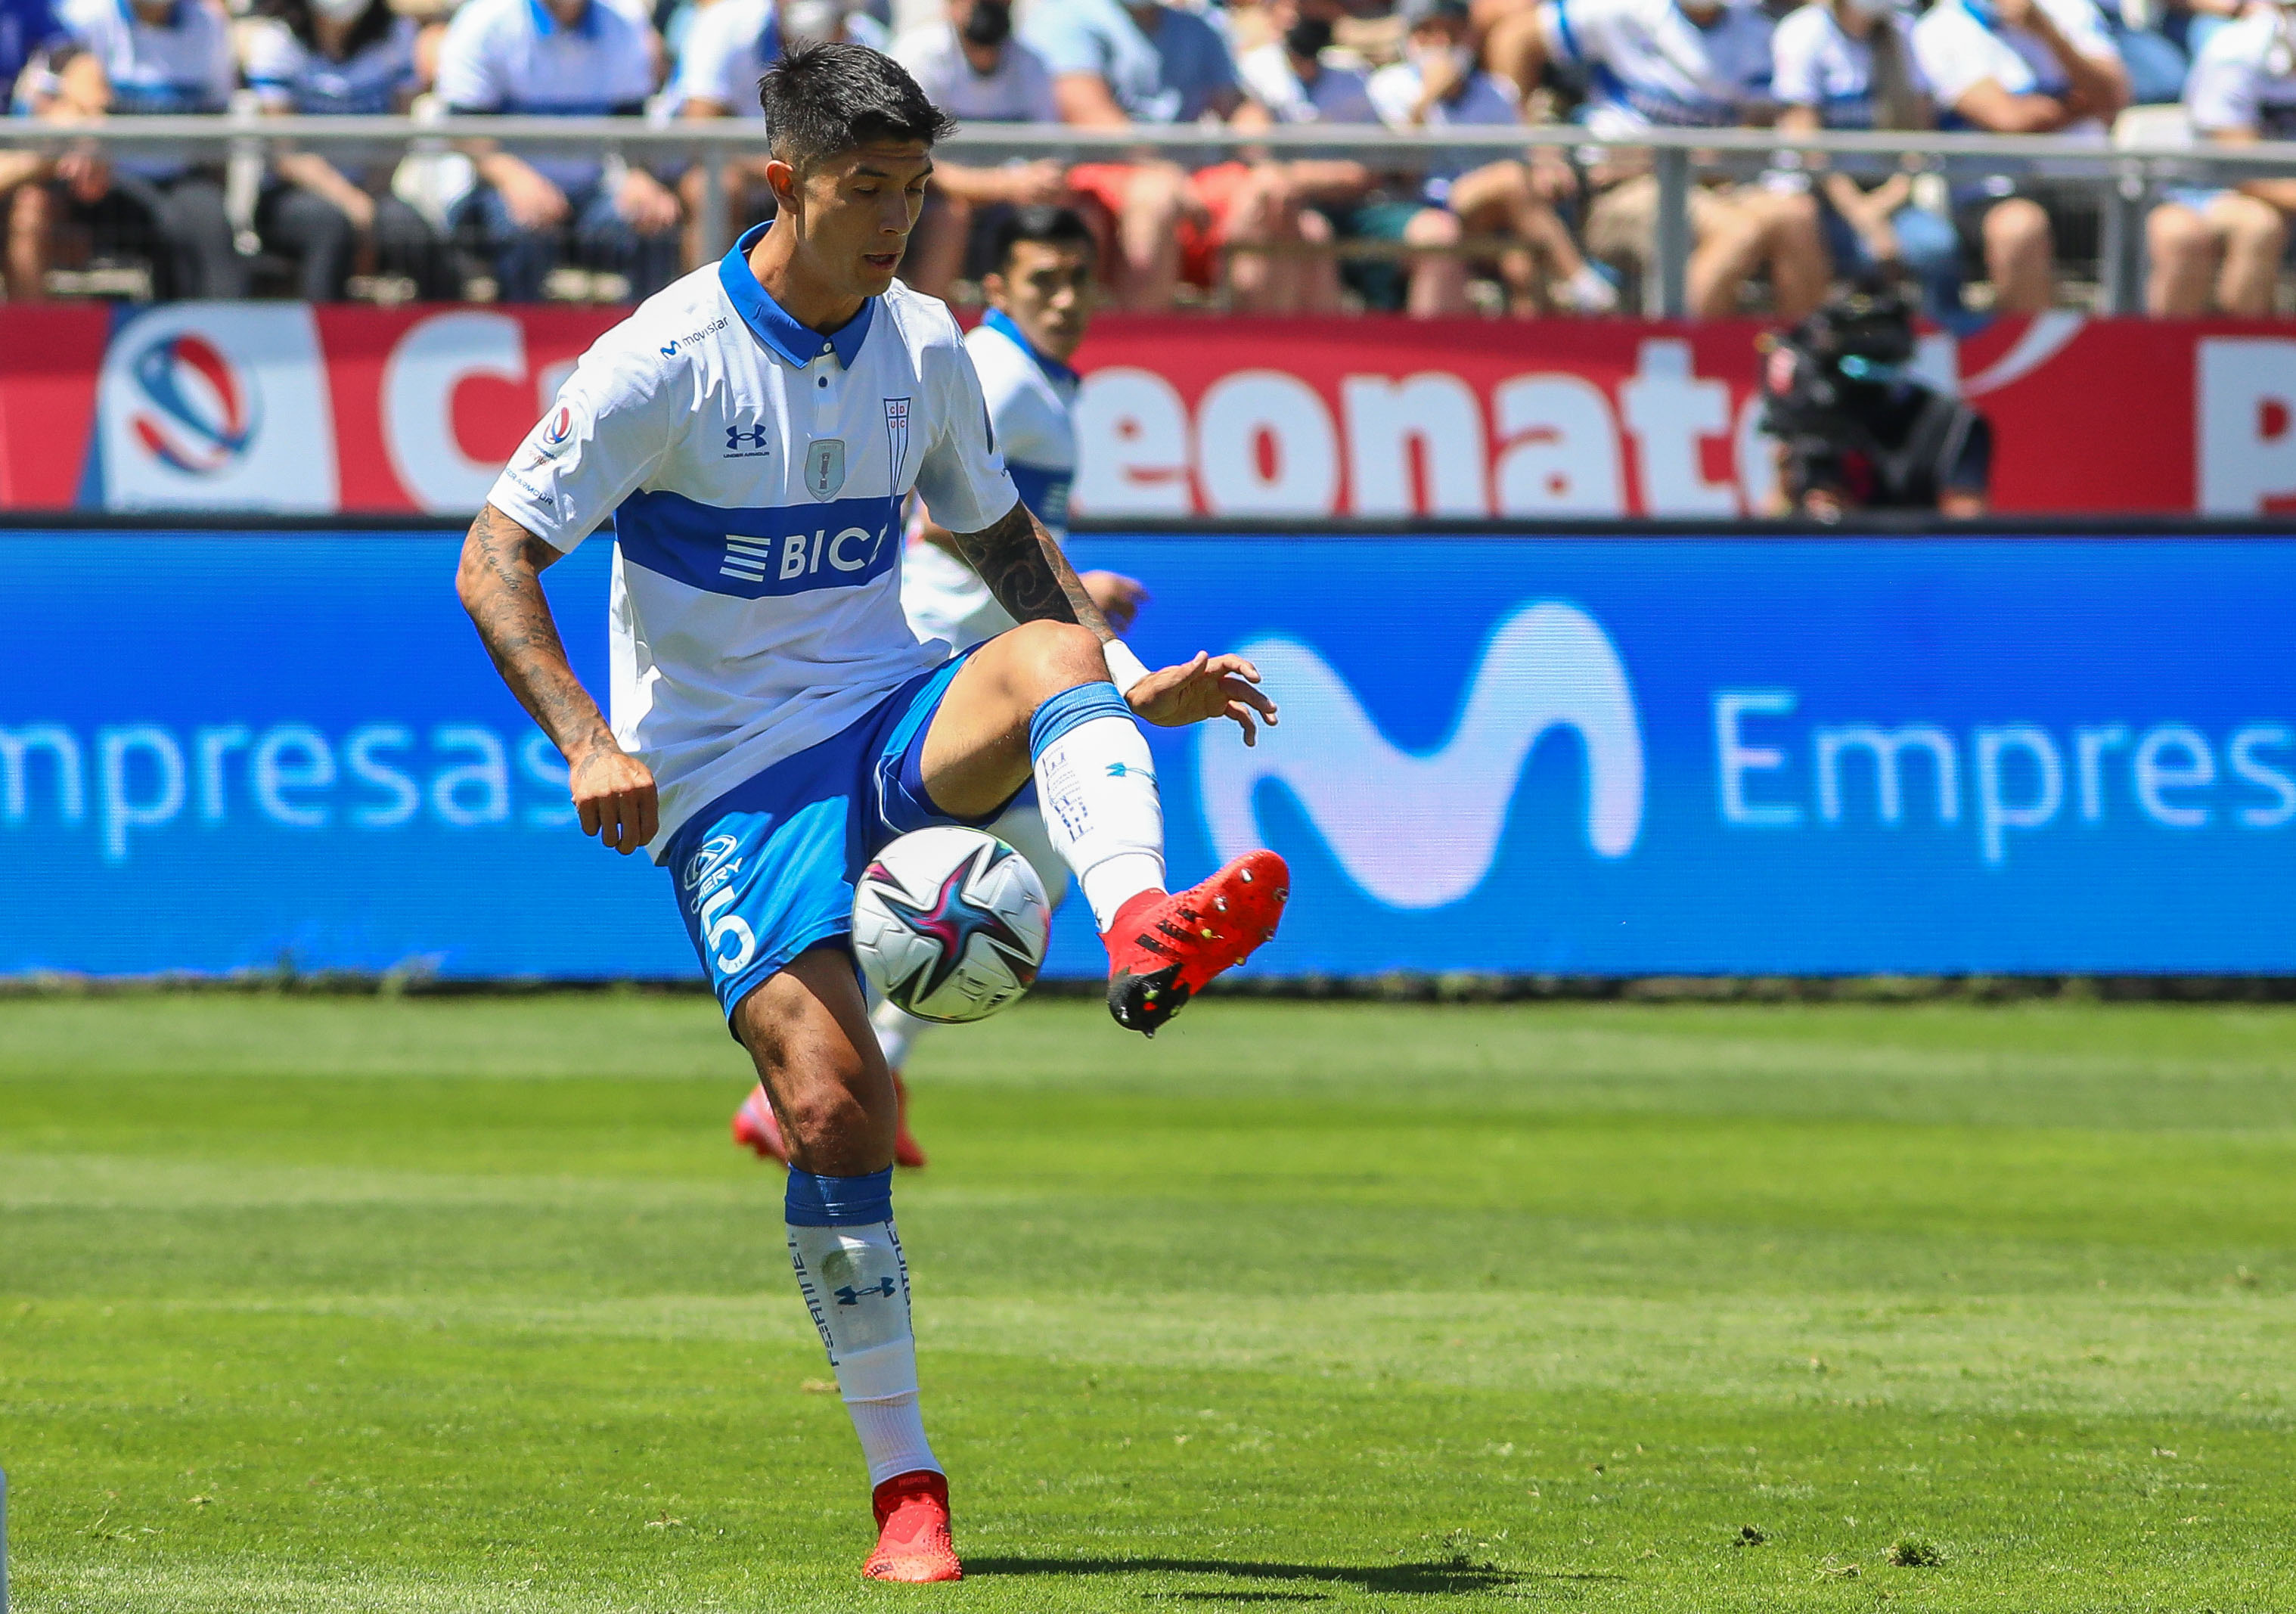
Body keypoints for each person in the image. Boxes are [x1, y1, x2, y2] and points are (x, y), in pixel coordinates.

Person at [455, 44, 1287, 1584]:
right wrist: (585, 739)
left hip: (885, 714)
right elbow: (493, 557)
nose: (898, 220)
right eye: (867, 190)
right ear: (785, 183)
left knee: (1045, 653)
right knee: (838, 1107)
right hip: (722, 779)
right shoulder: (667, 357)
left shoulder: (923, 341)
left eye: (916, 189)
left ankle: (1143, 922)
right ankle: (908, 1484)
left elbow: (1003, 542)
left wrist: (1132, 681)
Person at [732, 203, 1150, 1170]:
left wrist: (1076, 585)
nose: (1063, 299)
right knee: (1024, 857)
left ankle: (847, 1068)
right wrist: (1077, 600)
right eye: (1041, 280)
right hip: (940, 650)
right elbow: (952, 521)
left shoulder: (1038, 382)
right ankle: (833, 1068)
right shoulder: (1000, 370)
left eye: (1077, 280)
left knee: (1009, 858)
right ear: (997, 289)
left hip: (963, 644)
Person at [1494, 0, 1831, 320]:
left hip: (1713, 181)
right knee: (1735, 232)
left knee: (1796, 216)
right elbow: (1513, 40)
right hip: (1623, 191)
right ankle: (1671, 364)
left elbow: (1761, 129)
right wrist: (1537, 147)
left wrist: (1667, 158)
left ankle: (1800, 365)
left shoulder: (1757, 32)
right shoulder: (1624, 10)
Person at [1023, 0, 1317, 312]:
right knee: (1157, 198)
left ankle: (1254, 349)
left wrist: (1266, 164)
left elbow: (1237, 107)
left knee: (1272, 196)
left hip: (1187, 178)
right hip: (1102, 175)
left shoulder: (1198, 27)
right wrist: (1163, 172)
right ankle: (1139, 351)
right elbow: (1090, 116)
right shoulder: (1064, 16)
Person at [1367, 0, 1617, 315]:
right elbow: (1402, 172)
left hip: (1488, 213)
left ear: (1468, 36)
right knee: (1509, 179)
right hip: (1421, 208)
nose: (1441, 44)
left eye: (1451, 32)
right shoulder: (1389, 86)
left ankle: (1530, 357)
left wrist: (1546, 170)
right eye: (1429, 32)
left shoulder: (1496, 91)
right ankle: (1582, 284)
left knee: (1521, 265)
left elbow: (1521, 164)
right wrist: (1426, 100)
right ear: (1411, 37)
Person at [436, 0, 681, 302]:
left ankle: (642, 342)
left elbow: (631, 120)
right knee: (522, 229)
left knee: (652, 221)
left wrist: (640, 176)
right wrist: (517, 181)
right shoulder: (484, 19)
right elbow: (462, 127)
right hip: (496, 193)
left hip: (590, 194)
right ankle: (528, 343)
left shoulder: (623, 20)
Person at [1910, 0, 2127, 314]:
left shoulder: (2071, 9)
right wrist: (2085, 103)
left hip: (2088, 189)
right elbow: (2009, 120)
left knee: (2172, 231)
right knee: (2019, 229)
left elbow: (2114, 92)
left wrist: (2048, 33)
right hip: (1993, 195)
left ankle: (2147, 358)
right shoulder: (1940, 27)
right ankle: (2039, 357)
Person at [241, 0, 461, 300]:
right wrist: (350, 201)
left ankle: (447, 339)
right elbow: (286, 152)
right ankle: (321, 340)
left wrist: (367, 197)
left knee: (416, 237)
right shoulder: (276, 39)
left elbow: (400, 134)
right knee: (331, 229)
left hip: (374, 187)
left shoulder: (397, 34)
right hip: (292, 194)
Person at [1771, 0, 1962, 321]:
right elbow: (1806, 144)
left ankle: (1935, 349)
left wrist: (1881, 207)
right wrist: (1862, 214)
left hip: (1889, 198)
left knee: (1935, 247)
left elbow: (1919, 139)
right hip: (1822, 198)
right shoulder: (1802, 31)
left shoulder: (1903, 33)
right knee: (1862, 254)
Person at [40, 0, 242, 299]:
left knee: (211, 226)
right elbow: (43, 99)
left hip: (180, 175)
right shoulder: (82, 17)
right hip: (105, 179)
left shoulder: (208, 25)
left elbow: (217, 115)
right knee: (165, 227)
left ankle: (219, 335)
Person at [1758, 272, 1991, 518]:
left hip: (1912, 550)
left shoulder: (1951, 424)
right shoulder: (1813, 413)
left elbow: (1966, 528)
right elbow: (1774, 523)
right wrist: (1787, 481)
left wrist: (1867, 527)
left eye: (1873, 334)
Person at [889, 0, 1069, 299]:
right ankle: (924, 331)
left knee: (1071, 214)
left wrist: (1043, 182)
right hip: (929, 201)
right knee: (950, 218)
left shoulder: (1032, 63)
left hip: (1011, 203)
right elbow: (910, 161)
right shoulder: (918, 56)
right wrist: (1004, 184)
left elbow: (1049, 152)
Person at [2146, 0, 2296, 315]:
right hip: (2206, 194)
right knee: (2257, 226)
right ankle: (2236, 355)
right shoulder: (2236, 52)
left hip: (2278, 196)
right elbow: (2245, 171)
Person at [1, 0, 69, 299]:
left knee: (31, 210)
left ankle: (29, 344)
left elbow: (75, 62)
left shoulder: (26, 7)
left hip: (16, 165)